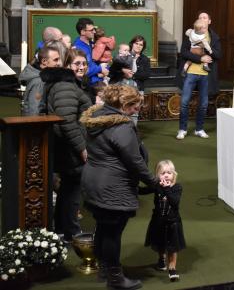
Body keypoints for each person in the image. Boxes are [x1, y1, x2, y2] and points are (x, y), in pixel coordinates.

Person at [80, 84, 158, 289]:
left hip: (93, 181)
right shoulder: (121, 126)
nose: (137, 109)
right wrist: (153, 182)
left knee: (103, 227)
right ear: (123, 105)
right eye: (134, 106)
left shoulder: (96, 117)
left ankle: (105, 269)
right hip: (112, 185)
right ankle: (115, 277)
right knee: (113, 232)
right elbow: (135, 161)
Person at [40, 50, 93, 243]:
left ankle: (63, 230)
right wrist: (82, 148)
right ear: (67, 66)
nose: (81, 67)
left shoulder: (69, 84)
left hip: (66, 146)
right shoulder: (65, 86)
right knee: (72, 190)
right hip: (69, 148)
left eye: (84, 63)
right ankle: (71, 232)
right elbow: (67, 122)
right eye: (77, 64)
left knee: (67, 190)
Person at [140, 160, 186, 282]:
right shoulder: (156, 186)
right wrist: (131, 184)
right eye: (163, 173)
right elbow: (142, 191)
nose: (166, 175)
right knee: (160, 243)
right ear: (158, 176)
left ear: (174, 174)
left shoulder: (177, 187)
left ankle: (172, 268)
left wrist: (166, 189)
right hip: (158, 221)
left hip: (173, 222)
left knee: (173, 246)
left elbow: (174, 202)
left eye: (169, 173)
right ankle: (161, 259)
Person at [176, 18, 213, 139]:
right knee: (184, 102)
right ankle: (182, 129)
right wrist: (200, 59)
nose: (203, 21)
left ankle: (199, 129)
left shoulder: (212, 36)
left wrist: (209, 53)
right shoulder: (191, 34)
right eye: (201, 18)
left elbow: (217, 54)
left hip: (204, 74)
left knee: (203, 104)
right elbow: (184, 52)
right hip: (191, 73)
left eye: (205, 18)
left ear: (209, 22)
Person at [20, 46, 62, 115]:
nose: (59, 63)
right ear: (44, 61)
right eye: (56, 60)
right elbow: (34, 110)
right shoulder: (39, 82)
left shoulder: (43, 78)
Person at [73, 17, 109, 87]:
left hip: (97, 79)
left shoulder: (91, 43)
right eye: (91, 30)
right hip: (90, 85)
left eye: (94, 29)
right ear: (83, 32)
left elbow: (92, 63)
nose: (94, 32)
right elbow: (82, 71)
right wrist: (100, 68)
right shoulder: (78, 48)